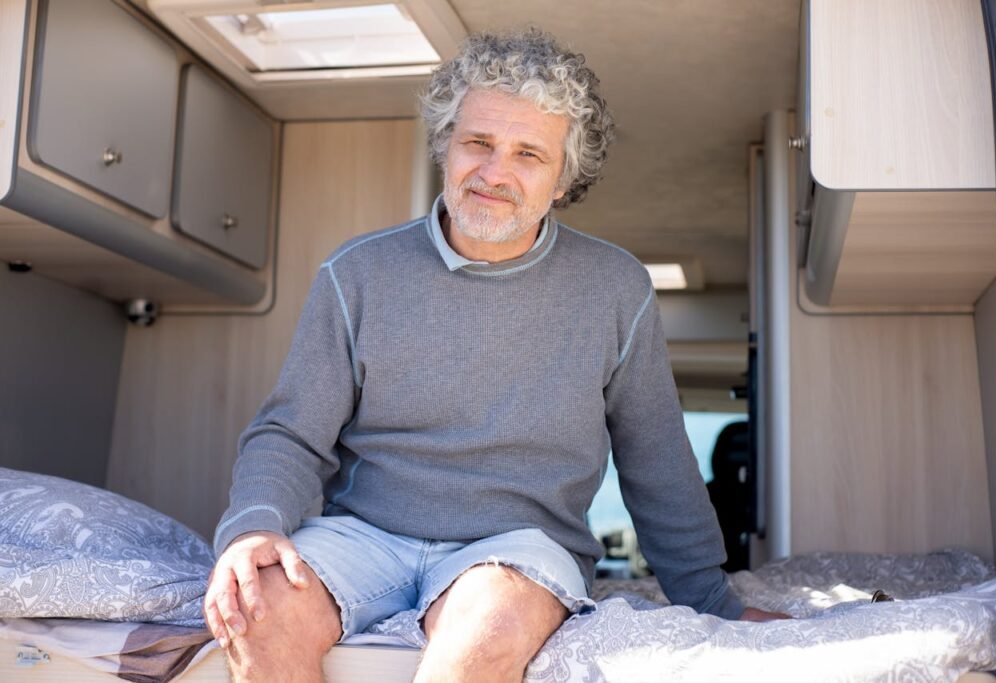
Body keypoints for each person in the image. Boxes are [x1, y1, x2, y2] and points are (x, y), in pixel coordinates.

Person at [204, 28, 784, 683]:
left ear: (562, 179)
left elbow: (655, 458)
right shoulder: (357, 273)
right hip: (363, 534)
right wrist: (253, 527)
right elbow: (290, 432)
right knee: (255, 609)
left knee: (489, 628)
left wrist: (712, 600)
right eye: (478, 142)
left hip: (518, 548)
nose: (494, 172)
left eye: (528, 153)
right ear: (445, 145)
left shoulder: (617, 288)